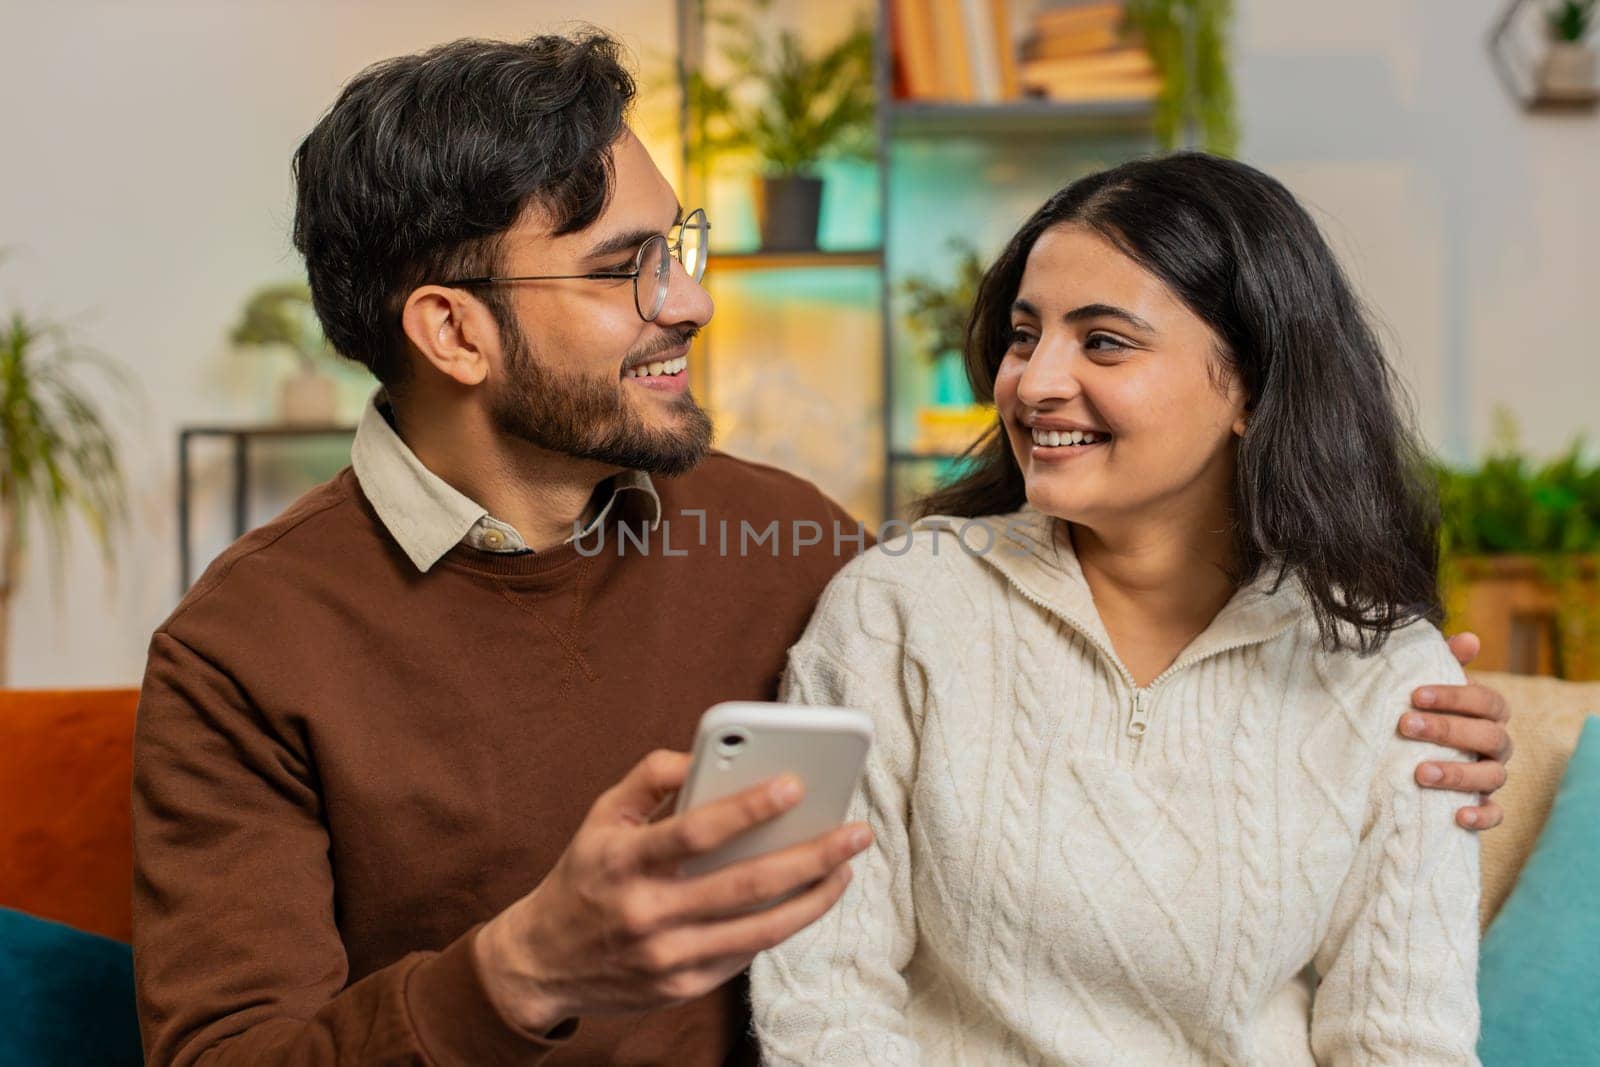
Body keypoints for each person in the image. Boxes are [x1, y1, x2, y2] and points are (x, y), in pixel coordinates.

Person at [131, 33, 1510, 1067]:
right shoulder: (245, 649)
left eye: (677, 244)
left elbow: (1080, 664)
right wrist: (517, 966)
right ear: (453, 331)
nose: (692, 299)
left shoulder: (789, 544)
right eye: (625, 270)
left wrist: (1429, 716)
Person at [752, 154, 1493, 1065]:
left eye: (1103, 341)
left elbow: (1404, 1039)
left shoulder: (1390, 671)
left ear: (1252, 387)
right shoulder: (897, 608)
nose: (1034, 383)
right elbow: (822, 993)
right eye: (1026, 337)